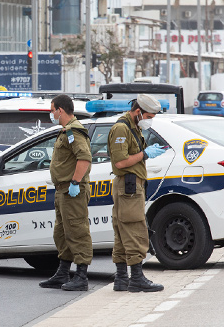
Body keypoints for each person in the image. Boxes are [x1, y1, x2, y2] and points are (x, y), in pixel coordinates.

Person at [106, 94, 165, 293]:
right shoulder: (122, 128)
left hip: (129, 186)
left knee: (123, 232)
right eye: (149, 116)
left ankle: (122, 278)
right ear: (138, 112)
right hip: (128, 187)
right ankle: (137, 278)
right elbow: (120, 162)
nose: (150, 121)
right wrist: (145, 154)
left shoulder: (132, 127)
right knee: (134, 230)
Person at [39, 94, 93, 291]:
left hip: (73, 191)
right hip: (63, 191)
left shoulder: (74, 131)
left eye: (52, 110)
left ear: (60, 110)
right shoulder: (65, 131)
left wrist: (75, 182)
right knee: (62, 233)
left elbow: (85, 158)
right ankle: (63, 272)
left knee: (77, 231)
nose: (51, 114)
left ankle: (81, 276)